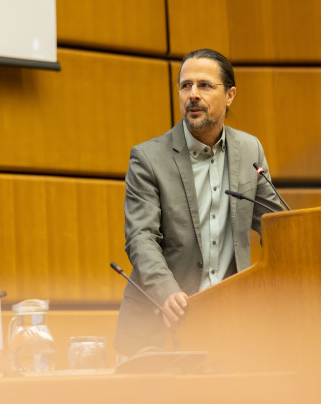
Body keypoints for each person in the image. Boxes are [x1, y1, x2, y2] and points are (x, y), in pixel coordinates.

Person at [113, 48, 284, 357]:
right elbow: (141, 237)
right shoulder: (149, 158)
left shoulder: (249, 150)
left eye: (204, 85)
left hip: (227, 325)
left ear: (230, 95)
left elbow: (278, 225)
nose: (192, 94)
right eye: (185, 85)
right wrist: (167, 291)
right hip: (157, 327)